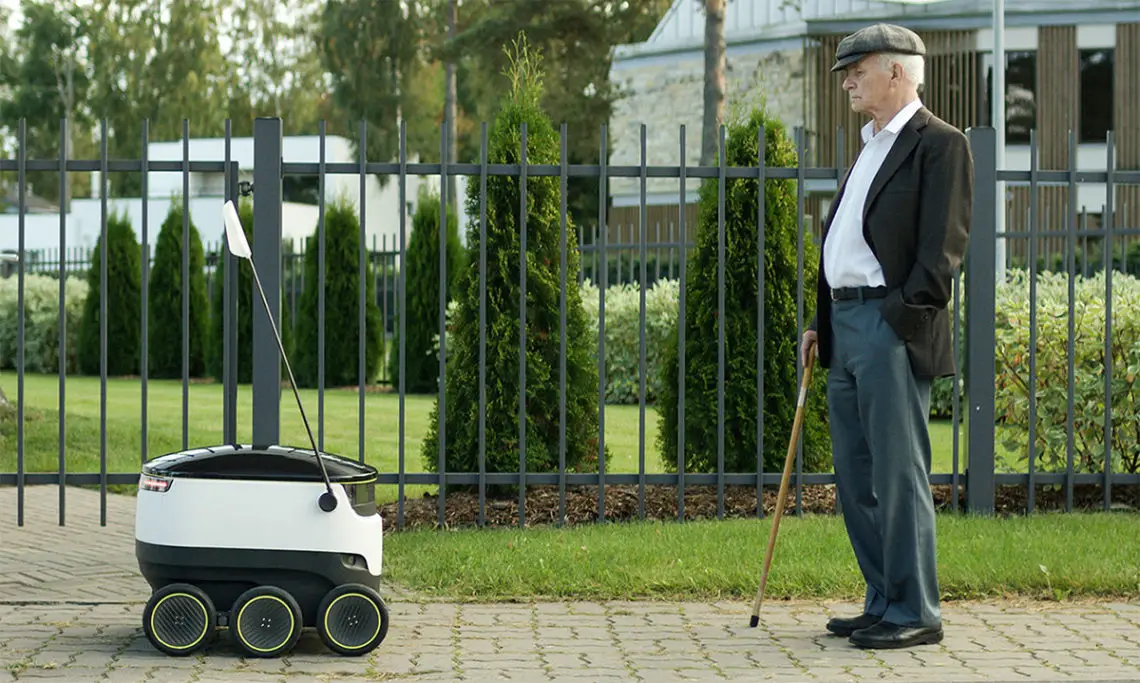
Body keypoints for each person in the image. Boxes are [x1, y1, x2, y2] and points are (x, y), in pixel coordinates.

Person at [800, 23, 972, 650]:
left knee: (898, 475)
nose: (846, 81)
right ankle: (883, 600)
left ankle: (917, 610)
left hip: (888, 328)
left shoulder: (939, 145)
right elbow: (844, 244)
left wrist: (898, 323)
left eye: (857, 69)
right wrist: (823, 321)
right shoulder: (870, 144)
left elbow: (942, 253)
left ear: (897, 71)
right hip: (846, 326)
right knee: (854, 473)